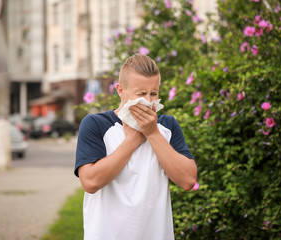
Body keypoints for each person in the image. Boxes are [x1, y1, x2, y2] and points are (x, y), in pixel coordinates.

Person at [75, 54, 197, 240]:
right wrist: (132, 141)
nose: (148, 101)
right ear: (121, 91)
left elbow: (188, 180)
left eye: (154, 93)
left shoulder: (167, 127)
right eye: (141, 94)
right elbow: (90, 182)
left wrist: (152, 133)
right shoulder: (95, 124)